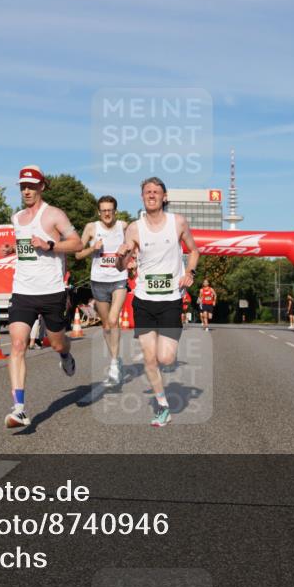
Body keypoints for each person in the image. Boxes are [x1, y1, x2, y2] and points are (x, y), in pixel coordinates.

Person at [0, 165, 82, 428]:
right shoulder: (16, 218)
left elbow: (77, 243)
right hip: (22, 291)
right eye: (23, 186)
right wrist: (12, 249)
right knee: (17, 345)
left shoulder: (54, 215)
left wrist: (50, 245)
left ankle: (66, 356)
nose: (27, 191)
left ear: (42, 187)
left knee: (57, 344)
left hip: (51, 291)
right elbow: (26, 247)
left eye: (32, 186)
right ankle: (19, 409)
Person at [115, 177, 200, 428]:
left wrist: (190, 272)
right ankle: (163, 406)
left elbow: (194, 251)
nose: (151, 195)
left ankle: (167, 352)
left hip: (171, 299)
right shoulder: (134, 228)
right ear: (142, 197)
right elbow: (122, 265)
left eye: (156, 192)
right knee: (150, 359)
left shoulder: (178, 222)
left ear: (164, 196)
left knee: (166, 358)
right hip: (143, 299)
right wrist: (121, 256)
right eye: (147, 192)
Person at [75, 196, 128, 385]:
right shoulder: (91, 228)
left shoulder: (124, 226)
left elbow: (135, 246)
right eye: (104, 210)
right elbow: (78, 254)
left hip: (119, 279)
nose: (107, 213)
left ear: (115, 211)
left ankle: (113, 366)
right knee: (106, 325)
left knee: (113, 320)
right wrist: (93, 249)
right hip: (98, 281)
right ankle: (116, 359)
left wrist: (132, 258)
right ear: (99, 212)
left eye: (110, 210)